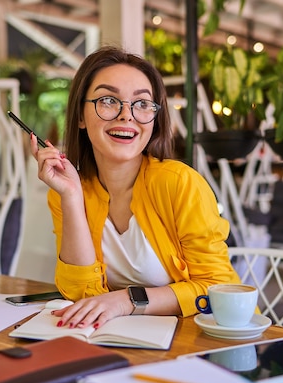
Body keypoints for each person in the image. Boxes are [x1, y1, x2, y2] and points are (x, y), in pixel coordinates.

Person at [31, 45, 240, 330]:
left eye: (141, 104)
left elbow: (218, 288)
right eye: (108, 100)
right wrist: (70, 196)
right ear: (80, 115)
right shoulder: (69, 191)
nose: (127, 116)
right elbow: (80, 293)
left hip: (191, 342)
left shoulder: (180, 183)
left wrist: (126, 301)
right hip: (118, 341)